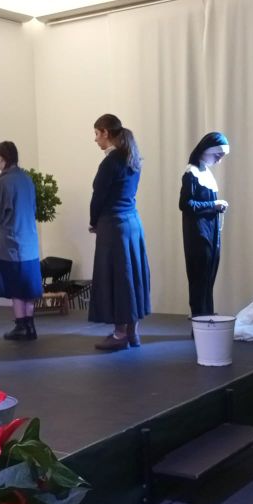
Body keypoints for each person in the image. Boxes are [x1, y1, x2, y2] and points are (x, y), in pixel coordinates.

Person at [88, 113, 151, 350]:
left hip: (114, 225)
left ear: (106, 132)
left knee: (117, 278)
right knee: (131, 277)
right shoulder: (132, 158)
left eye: (97, 133)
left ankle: (119, 334)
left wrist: (94, 221)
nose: (95, 139)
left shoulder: (110, 162)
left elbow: (99, 197)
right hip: (132, 223)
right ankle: (132, 333)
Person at [0, 141, 42, 340]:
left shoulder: (3, 183)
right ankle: (30, 326)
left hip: (12, 242)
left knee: (16, 287)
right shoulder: (27, 179)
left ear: (1, 158)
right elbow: (33, 209)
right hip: (30, 243)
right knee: (28, 286)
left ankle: (20, 325)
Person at [180, 132, 230, 317]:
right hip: (198, 234)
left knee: (208, 277)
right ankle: (199, 318)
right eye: (217, 155)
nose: (219, 160)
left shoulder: (205, 173)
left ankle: (206, 315)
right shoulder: (191, 173)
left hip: (210, 231)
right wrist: (213, 205)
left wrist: (216, 207)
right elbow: (185, 204)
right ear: (206, 150)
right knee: (199, 277)